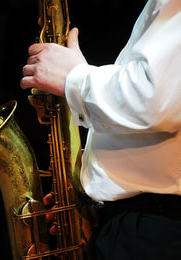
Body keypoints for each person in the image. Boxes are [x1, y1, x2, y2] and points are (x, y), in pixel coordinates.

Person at [21, 0, 181, 259]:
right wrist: (102, 183)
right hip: (146, 219)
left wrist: (73, 77)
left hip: (158, 228)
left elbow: (153, 100)